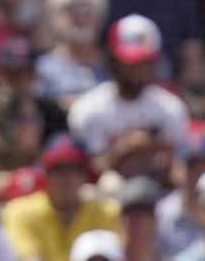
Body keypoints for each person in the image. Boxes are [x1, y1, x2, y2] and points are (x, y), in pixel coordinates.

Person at [0, 133, 121, 261]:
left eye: (75, 169)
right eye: (59, 169)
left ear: (85, 176)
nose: (68, 178)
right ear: (45, 175)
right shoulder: (21, 212)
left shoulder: (106, 211)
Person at [66, 14, 189, 178]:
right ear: (114, 61)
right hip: (106, 197)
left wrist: (160, 154)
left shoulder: (170, 107)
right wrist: (125, 148)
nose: (138, 70)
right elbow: (89, 173)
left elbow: (179, 170)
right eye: (130, 62)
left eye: (144, 62)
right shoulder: (88, 108)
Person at [34, 0, 109, 112]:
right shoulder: (41, 69)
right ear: (54, 17)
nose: (80, 16)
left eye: (88, 9)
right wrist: (58, 105)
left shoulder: (116, 66)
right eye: (70, 9)